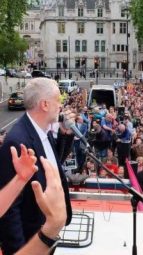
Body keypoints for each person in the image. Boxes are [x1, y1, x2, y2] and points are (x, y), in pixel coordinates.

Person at [0, 78, 73, 253]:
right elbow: (10, 209)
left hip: (46, 234)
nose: (61, 105)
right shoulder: (17, 142)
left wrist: (66, 135)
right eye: (58, 100)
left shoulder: (43, 131)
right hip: (32, 239)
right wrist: (19, 249)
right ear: (45, 104)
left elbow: (53, 165)